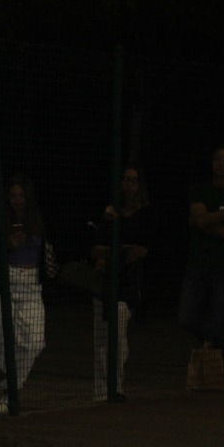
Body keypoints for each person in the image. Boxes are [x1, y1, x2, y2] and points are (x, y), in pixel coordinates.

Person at [0, 177, 49, 412]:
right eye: (13, 196)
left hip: (31, 283)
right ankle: (8, 395)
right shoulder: (0, 217)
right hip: (5, 283)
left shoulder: (37, 219)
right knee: (1, 342)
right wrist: (6, 245)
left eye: (22, 196)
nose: (18, 201)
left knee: (34, 342)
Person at [180, 145, 224, 386]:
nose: (220, 163)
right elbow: (200, 218)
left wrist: (205, 221)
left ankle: (223, 357)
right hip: (197, 263)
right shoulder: (200, 189)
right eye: (217, 159)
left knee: (216, 324)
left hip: (223, 267)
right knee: (186, 318)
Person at [90, 165, 154, 401]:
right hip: (104, 282)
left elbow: (141, 251)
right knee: (101, 337)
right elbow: (95, 249)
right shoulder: (110, 212)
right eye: (125, 179)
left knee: (117, 336)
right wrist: (117, 252)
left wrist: (114, 254)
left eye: (133, 179)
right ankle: (101, 389)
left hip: (128, 282)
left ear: (140, 185)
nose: (128, 183)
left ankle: (115, 386)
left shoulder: (146, 214)